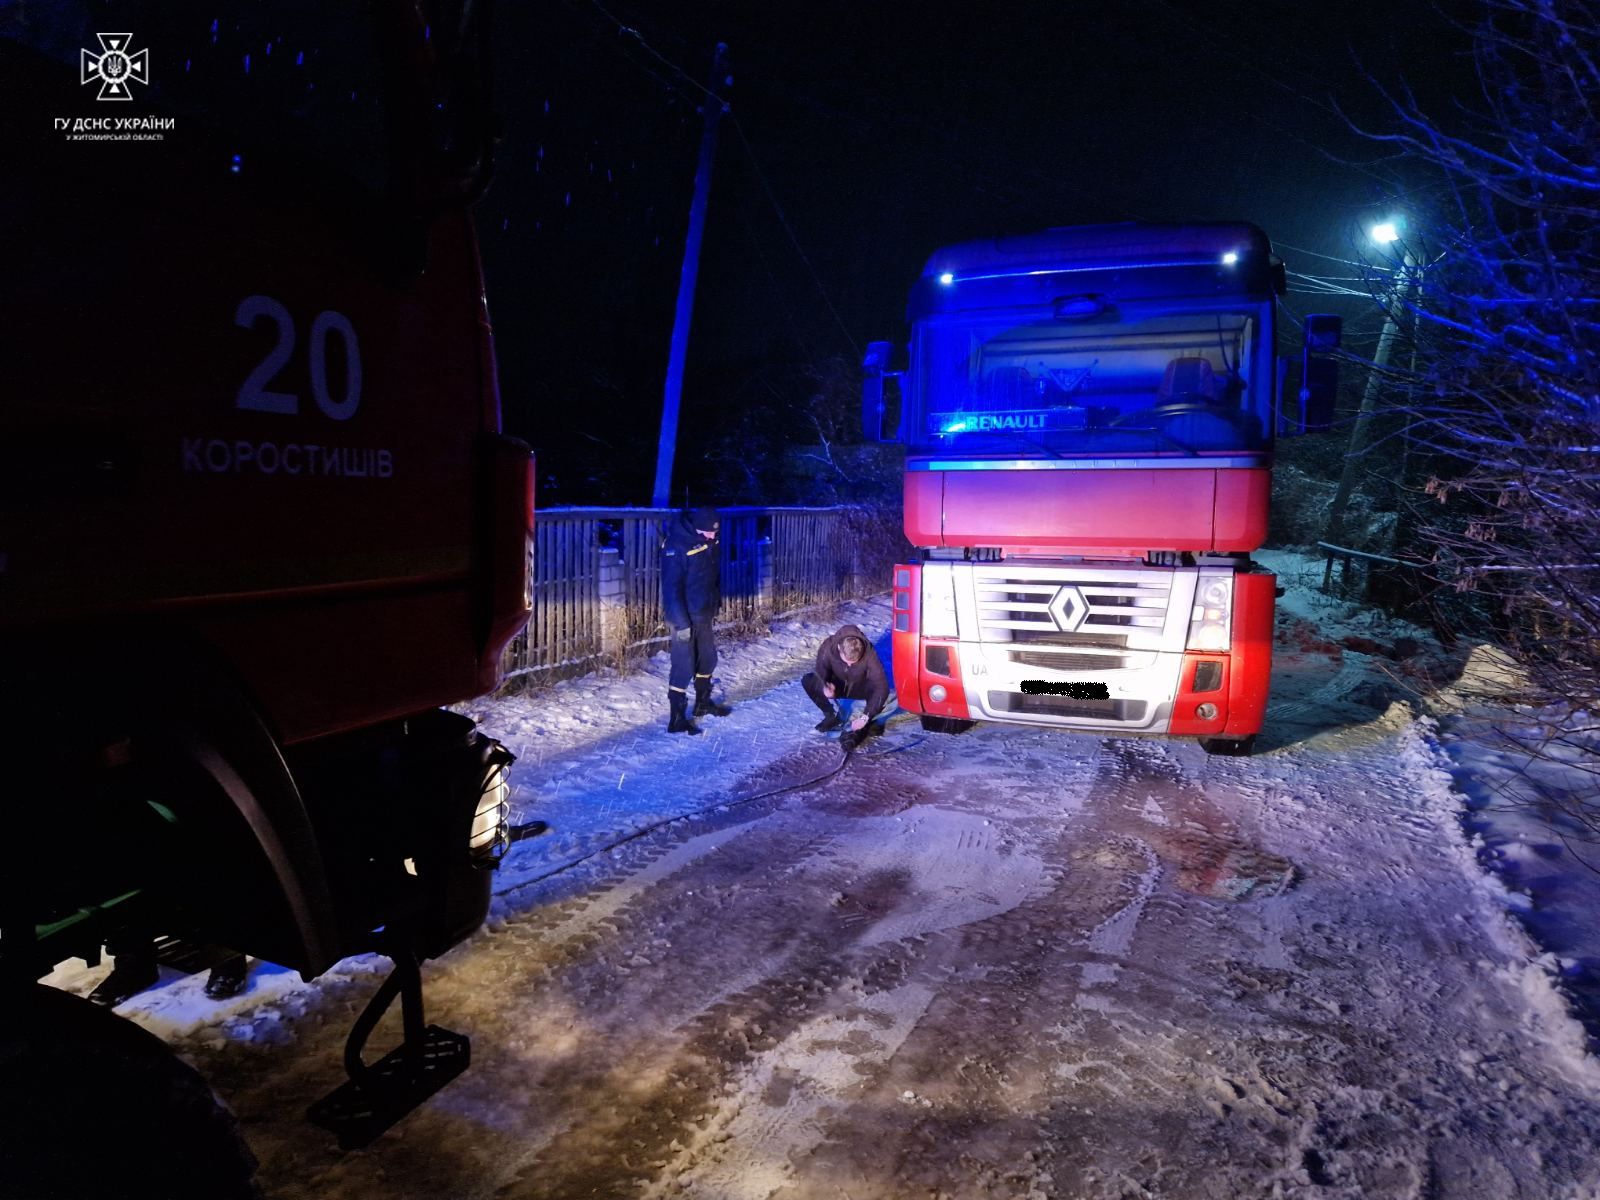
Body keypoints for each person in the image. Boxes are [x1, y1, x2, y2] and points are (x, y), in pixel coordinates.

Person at [661, 505, 732, 734]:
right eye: (708, 532)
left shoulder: (710, 542)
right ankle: (676, 718)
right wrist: (680, 623)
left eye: (715, 532)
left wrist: (714, 604)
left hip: (703, 612)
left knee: (707, 659)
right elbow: (671, 589)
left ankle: (703, 702)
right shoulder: (677, 546)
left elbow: (712, 579)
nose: (712, 536)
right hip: (684, 616)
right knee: (683, 664)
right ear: (696, 528)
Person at [802, 624, 889, 752]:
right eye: (846, 660)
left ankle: (868, 721)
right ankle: (830, 715)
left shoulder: (869, 652)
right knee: (808, 680)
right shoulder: (828, 646)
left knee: (879, 693)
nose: (849, 664)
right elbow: (820, 670)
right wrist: (826, 685)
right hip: (837, 685)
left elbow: (882, 687)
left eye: (853, 662)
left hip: (859, 686)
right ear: (839, 647)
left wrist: (865, 717)